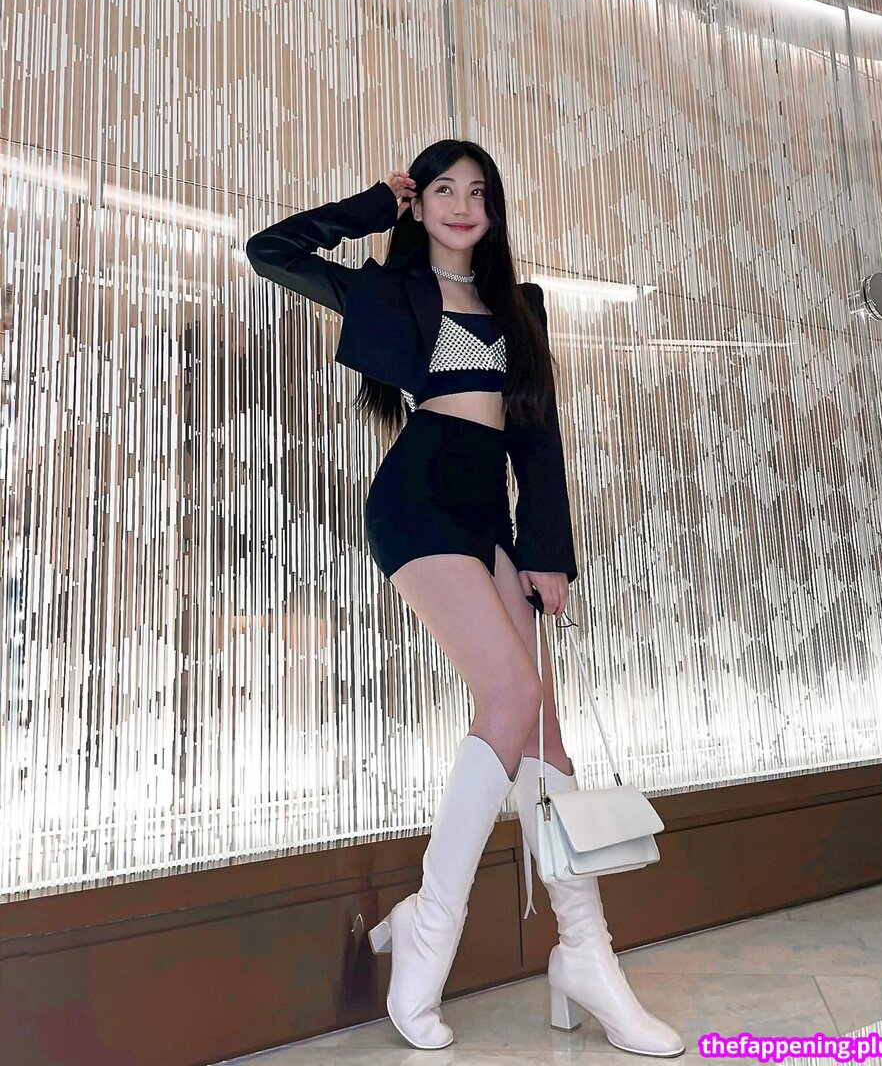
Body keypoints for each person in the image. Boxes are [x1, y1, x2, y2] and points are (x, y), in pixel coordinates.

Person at [245, 139, 684, 1058]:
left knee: (544, 734)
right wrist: (375, 203)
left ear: (493, 210)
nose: (460, 204)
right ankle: (429, 927)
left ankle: (585, 955)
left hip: (491, 514)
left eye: (476, 191)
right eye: (442, 188)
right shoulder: (389, 292)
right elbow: (270, 250)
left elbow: (538, 439)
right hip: (418, 499)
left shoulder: (520, 307)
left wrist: (547, 553)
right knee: (511, 697)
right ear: (420, 204)